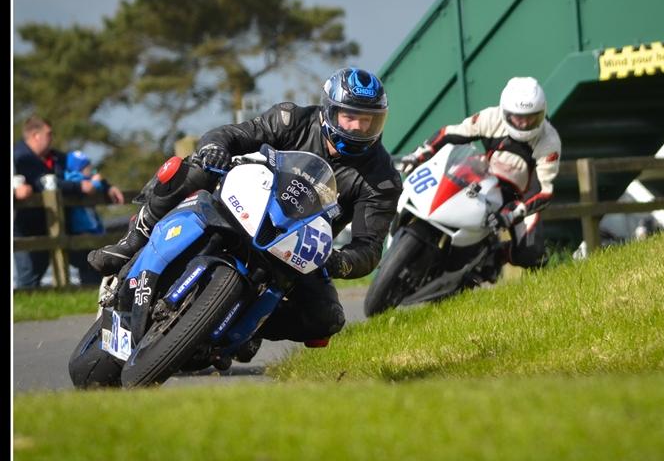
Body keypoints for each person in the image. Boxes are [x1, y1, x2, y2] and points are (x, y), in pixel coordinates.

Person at [88, 67, 402, 346]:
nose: (359, 128)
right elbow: (230, 135)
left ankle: (246, 328)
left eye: (368, 120)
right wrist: (214, 150)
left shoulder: (383, 179)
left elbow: (369, 248)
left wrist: (341, 262)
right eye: (350, 117)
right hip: (245, 202)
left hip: (296, 250)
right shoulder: (291, 119)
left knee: (327, 319)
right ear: (329, 112)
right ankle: (132, 242)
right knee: (192, 168)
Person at [399, 76, 562, 269]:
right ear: (505, 112)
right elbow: (451, 133)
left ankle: (495, 255)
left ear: (542, 112)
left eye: (531, 117)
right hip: (482, 176)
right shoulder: (491, 117)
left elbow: (543, 190)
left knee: (531, 254)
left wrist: (514, 212)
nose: (524, 124)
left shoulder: (549, 140)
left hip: (518, 198)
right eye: (519, 117)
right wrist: (420, 153)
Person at [13, 116, 125, 288]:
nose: (52, 138)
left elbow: (84, 171)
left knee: (87, 260)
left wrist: (106, 186)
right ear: (35, 135)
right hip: (28, 227)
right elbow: (41, 183)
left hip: (63, 223)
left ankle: (93, 298)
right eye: (48, 134)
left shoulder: (55, 157)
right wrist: (79, 187)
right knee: (30, 275)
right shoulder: (19, 158)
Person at [62, 150, 112, 285]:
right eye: (87, 167)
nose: (91, 170)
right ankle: (89, 286)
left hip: (92, 229)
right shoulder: (73, 179)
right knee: (88, 266)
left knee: (97, 263)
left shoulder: (85, 179)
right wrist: (96, 182)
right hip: (81, 229)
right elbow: (89, 187)